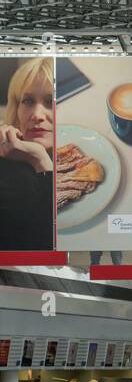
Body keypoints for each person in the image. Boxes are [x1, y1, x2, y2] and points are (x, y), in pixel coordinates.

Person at [0, 57, 56, 251]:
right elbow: (40, 243)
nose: (37, 115)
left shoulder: (86, 160)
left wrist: (41, 161)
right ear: (16, 110)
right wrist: (39, 160)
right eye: (28, 101)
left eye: (50, 101)